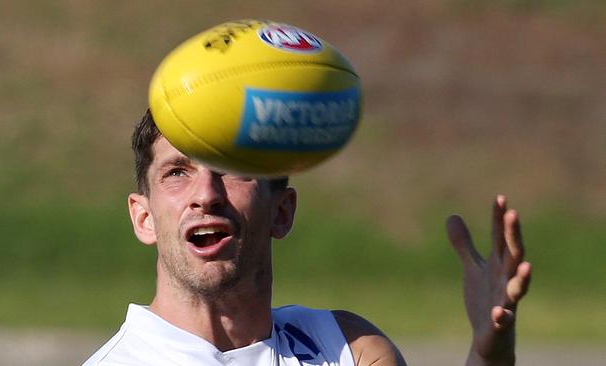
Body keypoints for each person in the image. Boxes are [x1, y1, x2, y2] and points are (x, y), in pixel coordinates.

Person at [83, 109, 532, 366]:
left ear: (282, 211)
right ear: (143, 218)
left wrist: (489, 350)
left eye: (235, 168)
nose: (206, 194)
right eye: (178, 172)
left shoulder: (346, 348)